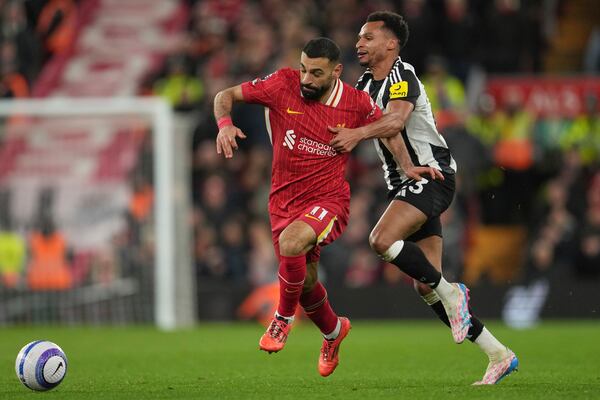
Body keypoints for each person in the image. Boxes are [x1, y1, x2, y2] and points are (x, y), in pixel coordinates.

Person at [328, 11, 518, 385]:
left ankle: (454, 292)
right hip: (410, 180)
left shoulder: (402, 75)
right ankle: (498, 353)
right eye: (359, 38)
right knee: (424, 283)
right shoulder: (365, 84)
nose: (359, 44)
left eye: (368, 38)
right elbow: (389, 133)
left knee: (380, 240)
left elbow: (395, 121)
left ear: (390, 44)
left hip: (434, 176)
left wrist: (356, 135)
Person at [213, 37, 385, 377]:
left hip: (328, 199)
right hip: (283, 202)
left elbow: (391, 125)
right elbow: (224, 96)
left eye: (316, 73)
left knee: (292, 244)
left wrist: (362, 136)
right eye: (304, 68)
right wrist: (225, 125)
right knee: (304, 282)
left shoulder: (356, 102)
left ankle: (282, 319)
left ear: (336, 72)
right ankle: (334, 332)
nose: (306, 78)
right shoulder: (282, 84)